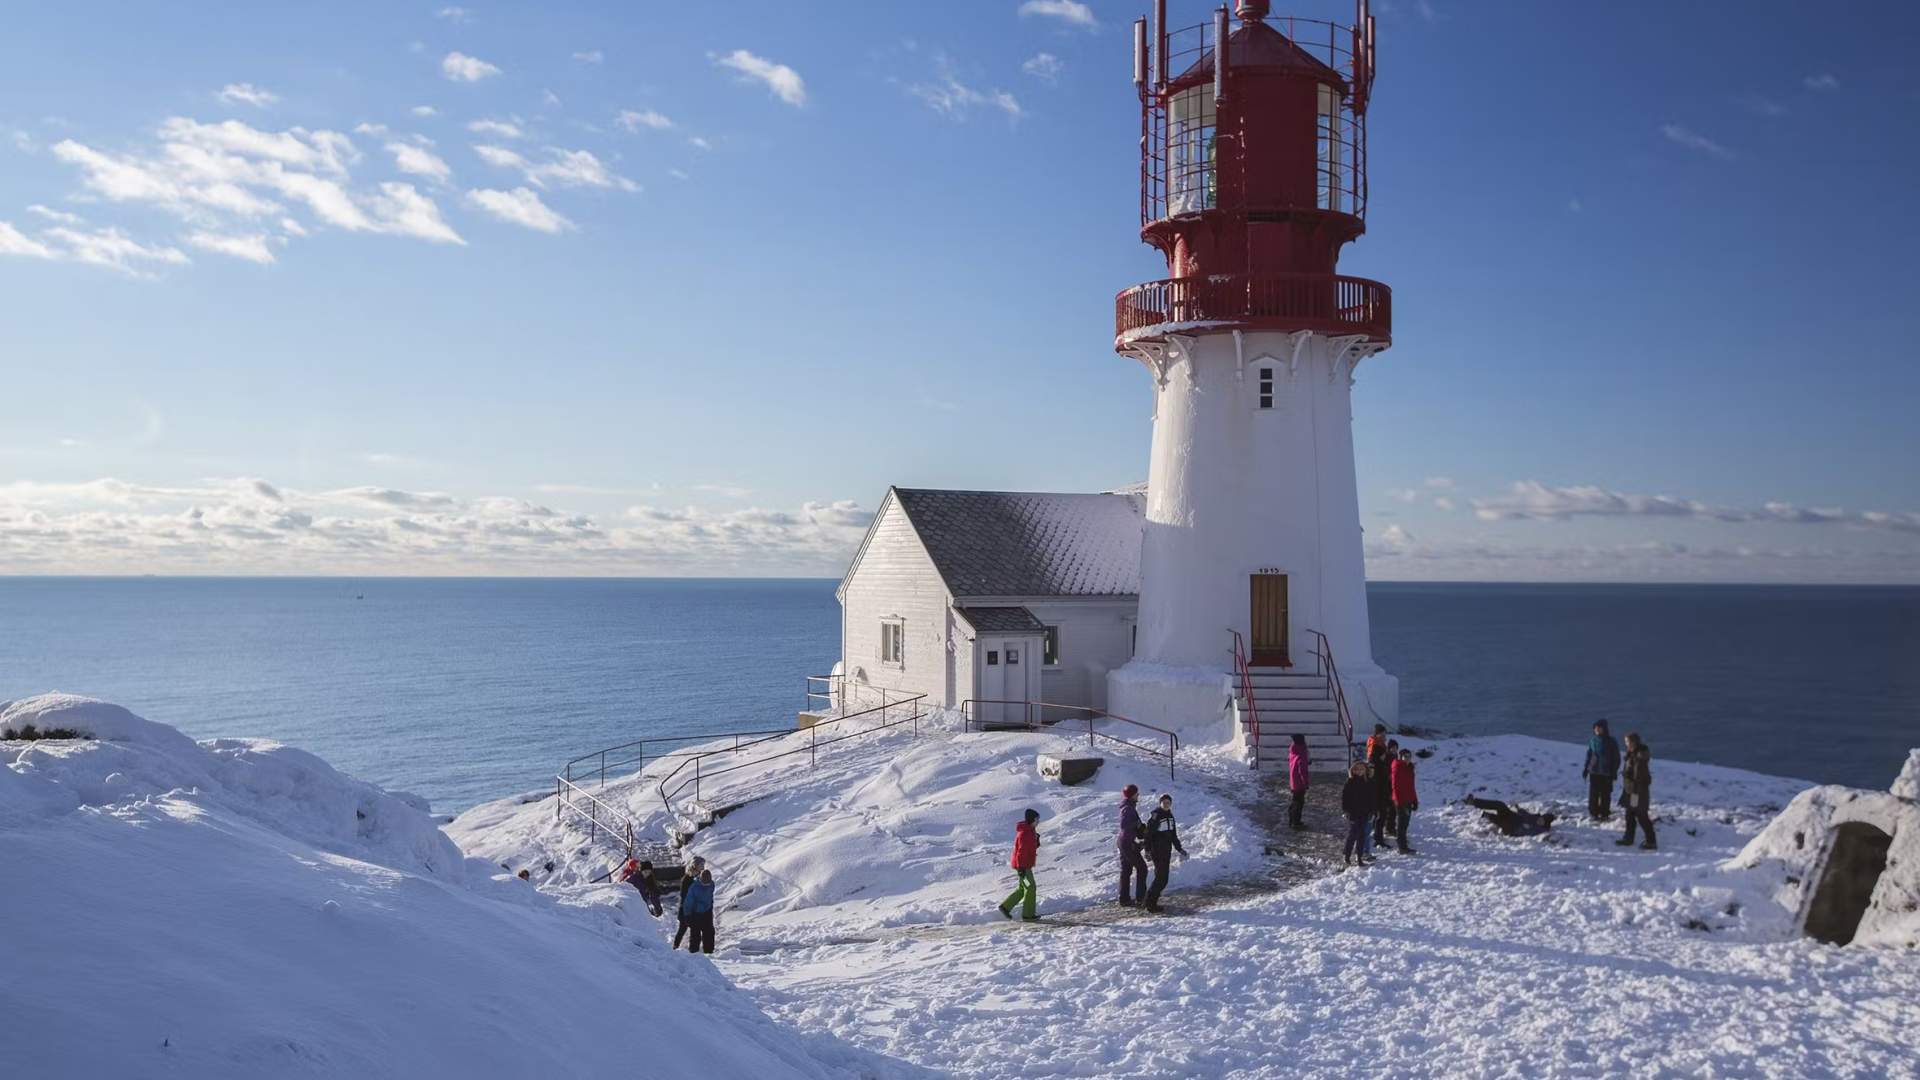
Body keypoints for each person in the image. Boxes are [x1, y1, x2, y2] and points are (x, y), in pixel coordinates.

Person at [1142, 793, 1189, 912]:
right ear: (1160, 803)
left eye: (1169, 802)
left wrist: (1179, 848)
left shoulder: (1170, 816)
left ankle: (1149, 902)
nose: (1166, 804)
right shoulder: (1156, 815)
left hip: (1166, 850)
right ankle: (1149, 903)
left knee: (1162, 878)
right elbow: (1148, 834)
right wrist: (1147, 850)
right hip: (1156, 850)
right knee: (1161, 879)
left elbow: (1173, 835)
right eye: (1164, 802)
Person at [998, 808, 1042, 921]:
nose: (1038, 822)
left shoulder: (1030, 831)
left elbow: (1029, 848)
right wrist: (1021, 868)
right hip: (1023, 867)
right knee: (1030, 887)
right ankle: (1028, 915)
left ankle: (1005, 907)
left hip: (1024, 866)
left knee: (1023, 888)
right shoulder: (1024, 833)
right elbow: (1020, 853)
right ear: (1031, 820)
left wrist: (1036, 841)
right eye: (1036, 819)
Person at [1617, 735, 1656, 850]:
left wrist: (1628, 777)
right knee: (1630, 814)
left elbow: (1638, 776)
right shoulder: (1633, 755)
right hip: (1632, 791)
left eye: (1628, 742)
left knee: (1640, 815)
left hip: (1636, 792)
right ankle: (1629, 838)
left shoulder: (1639, 758)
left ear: (1634, 743)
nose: (1626, 744)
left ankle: (1650, 841)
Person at [1582, 719, 1621, 822]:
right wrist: (1586, 769)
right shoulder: (1593, 740)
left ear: (1605, 729)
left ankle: (1604, 813)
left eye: (1599, 728)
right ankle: (1593, 813)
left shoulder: (1611, 741)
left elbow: (1616, 758)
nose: (1597, 730)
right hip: (1594, 771)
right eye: (1595, 728)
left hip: (1606, 772)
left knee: (1605, 794)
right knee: (1593, 794)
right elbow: (1589, 755)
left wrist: (1614, 771)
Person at [1116, 784, 1148, 907]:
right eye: (1136, 793)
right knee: (1142, 868)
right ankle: (1141, 898)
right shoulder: (1127, 809)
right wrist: (1137, 823)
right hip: (1127, 843)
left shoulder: (1129, 806)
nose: (1138, 795)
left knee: (1126, 870)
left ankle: (1123, 898)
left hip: (1124, 841)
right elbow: (1124, 825)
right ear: (1131, 795)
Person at [1465, 796, 1556, 837]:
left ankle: (1487, 815)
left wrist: (1524, 829)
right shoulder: (1535, 818)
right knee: (1500, 804)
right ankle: (1473, 802)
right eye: (1541, 818)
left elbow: (1533, 833)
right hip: (1511, 816)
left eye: (1542, 821)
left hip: (1513, 829)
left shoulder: (1540, 829)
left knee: (1505, 822)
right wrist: (1518, 808)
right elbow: (1525, 814)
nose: (1540, 820)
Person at [1340, 761, 1375, 867]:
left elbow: (1372, 798)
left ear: (1365, 770)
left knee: (1362, 835)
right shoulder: (1350, 782)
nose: (1360, 771)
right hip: (1353, 812)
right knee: (1352, 834)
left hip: (1364, 812)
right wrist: (1346, 811)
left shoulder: (1368, 782)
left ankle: (1359, 857)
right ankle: (1346, 855)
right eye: (1357, 769)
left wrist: (1372, 811)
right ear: (1353, 770)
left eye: (1362, 769)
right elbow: (1344, 798)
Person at [672, 855, 706, 949]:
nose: (703, 867)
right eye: (701, 865)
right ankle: (676, 947)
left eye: (703, 865)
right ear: (695, 865)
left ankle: (693, 948)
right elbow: (684, 896)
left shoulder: (699, 878)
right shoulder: (687, 879)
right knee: (683, 929)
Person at [680, 868, 716, 954]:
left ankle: (709, 952)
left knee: (709, 932)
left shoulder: (712, 884)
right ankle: (693, 953)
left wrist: (709, 906)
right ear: (700, 880)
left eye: (708, 883)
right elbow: (688, 903)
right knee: (695, 935)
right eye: (704, 883)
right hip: (695, 913)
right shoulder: (694, 887)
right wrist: (687, 916)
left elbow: (710, 896)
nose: (706, 885)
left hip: (707, 912)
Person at [1390, 748, 1419, 855]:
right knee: (1402, 824)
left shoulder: (1409, 768)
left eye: (1409, 756)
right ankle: (1402, 847)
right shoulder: (1397, 767)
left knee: (1405, 823)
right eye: (1405, 756)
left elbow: (1411, 786)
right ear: (1400, 757)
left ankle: (1402, 842)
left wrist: (1415, 800)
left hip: (1408, 799)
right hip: (1401, 800)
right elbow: (1395, 786)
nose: (1407, 759)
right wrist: (1398, 801)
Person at [1369, 736, 1397, 846]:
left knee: (1384, 815)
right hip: (1381, 793)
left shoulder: (1384, 762)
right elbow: (1382, 780)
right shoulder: (1380, 764)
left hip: (1385, 792)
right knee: (1380, 816)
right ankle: (1378, 839)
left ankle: (1381, 835)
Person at [1287, 734, 1310, 831]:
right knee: (1299, 803)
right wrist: (1306, 783)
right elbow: (1302, 770)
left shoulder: (1293, 750)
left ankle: (1292, 820)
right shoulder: (1302, 752)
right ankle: (1296, 822)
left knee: (1295, 801)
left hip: (1293, 780)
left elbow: (1296, 763)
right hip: (1299, 783)